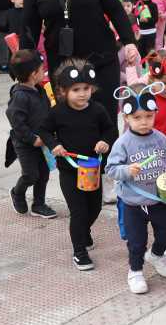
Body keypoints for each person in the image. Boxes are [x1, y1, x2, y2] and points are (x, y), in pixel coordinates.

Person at [39, 60, 115, 271]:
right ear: (63, 91)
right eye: (76, 90)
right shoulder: (58, 112)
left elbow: (110, 129)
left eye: (86, 89)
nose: (82, 94)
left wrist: (105, 141)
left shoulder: (97, 110)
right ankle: (79, 252)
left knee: (95, 208)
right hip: (69, 171)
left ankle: (84, 231)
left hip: (92, 169)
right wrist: (54, 144)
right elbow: (44, 130)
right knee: (79, 212)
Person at [106, 87, 166, 294]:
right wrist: (127, 170)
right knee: (137, 241)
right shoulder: (123, 143)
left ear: (155, 113)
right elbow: (111, 169)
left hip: (158, 200)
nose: (144, 121)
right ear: (126, 118)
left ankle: (156, 254)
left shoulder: (160, 139)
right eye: (137, 117)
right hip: (132, 203)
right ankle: (135, 271)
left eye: (149, 116)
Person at [4, 50, 57, 220]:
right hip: (25, 143)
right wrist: (32, 139)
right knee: (31, 174)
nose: (44, 72)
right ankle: (17, 192)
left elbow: (48, 112)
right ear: (34, 74)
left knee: (44, 173)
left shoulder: (40, 90)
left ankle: (38, 204)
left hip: (42, 141)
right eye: (42, 69)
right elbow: (16, 121)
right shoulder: (20, 96)